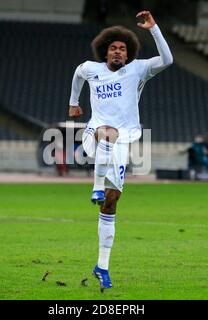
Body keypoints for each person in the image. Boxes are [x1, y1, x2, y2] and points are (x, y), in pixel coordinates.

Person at [68, 10, 173, 290]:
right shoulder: (92, 68)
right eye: (113, 48)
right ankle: (96, 185)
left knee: (112, 202)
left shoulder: (138, 69)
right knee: (107, 132)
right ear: (105, 52)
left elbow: (168, 59)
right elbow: (78, 75)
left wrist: (153, 28)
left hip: (123, 143)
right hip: (95, 134)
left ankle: (101, 266)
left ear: (128, 55)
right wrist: (73, 102)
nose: (117, 52)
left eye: (122, 49)